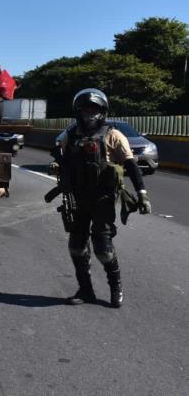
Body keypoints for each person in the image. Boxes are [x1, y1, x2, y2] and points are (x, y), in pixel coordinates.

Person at [55, 88, 152, 308]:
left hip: (102, 199)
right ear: (78, 111)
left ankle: (116, 286)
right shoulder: (71, 133)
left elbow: (131, 165)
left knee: (103, 248)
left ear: (103, 111)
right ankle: (85, 290)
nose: (89, 113)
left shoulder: (113, 135)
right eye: (85, 109)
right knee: (76, 246)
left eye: (94, 109)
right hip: (77, 198)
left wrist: (142, 194)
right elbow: (58, 150)